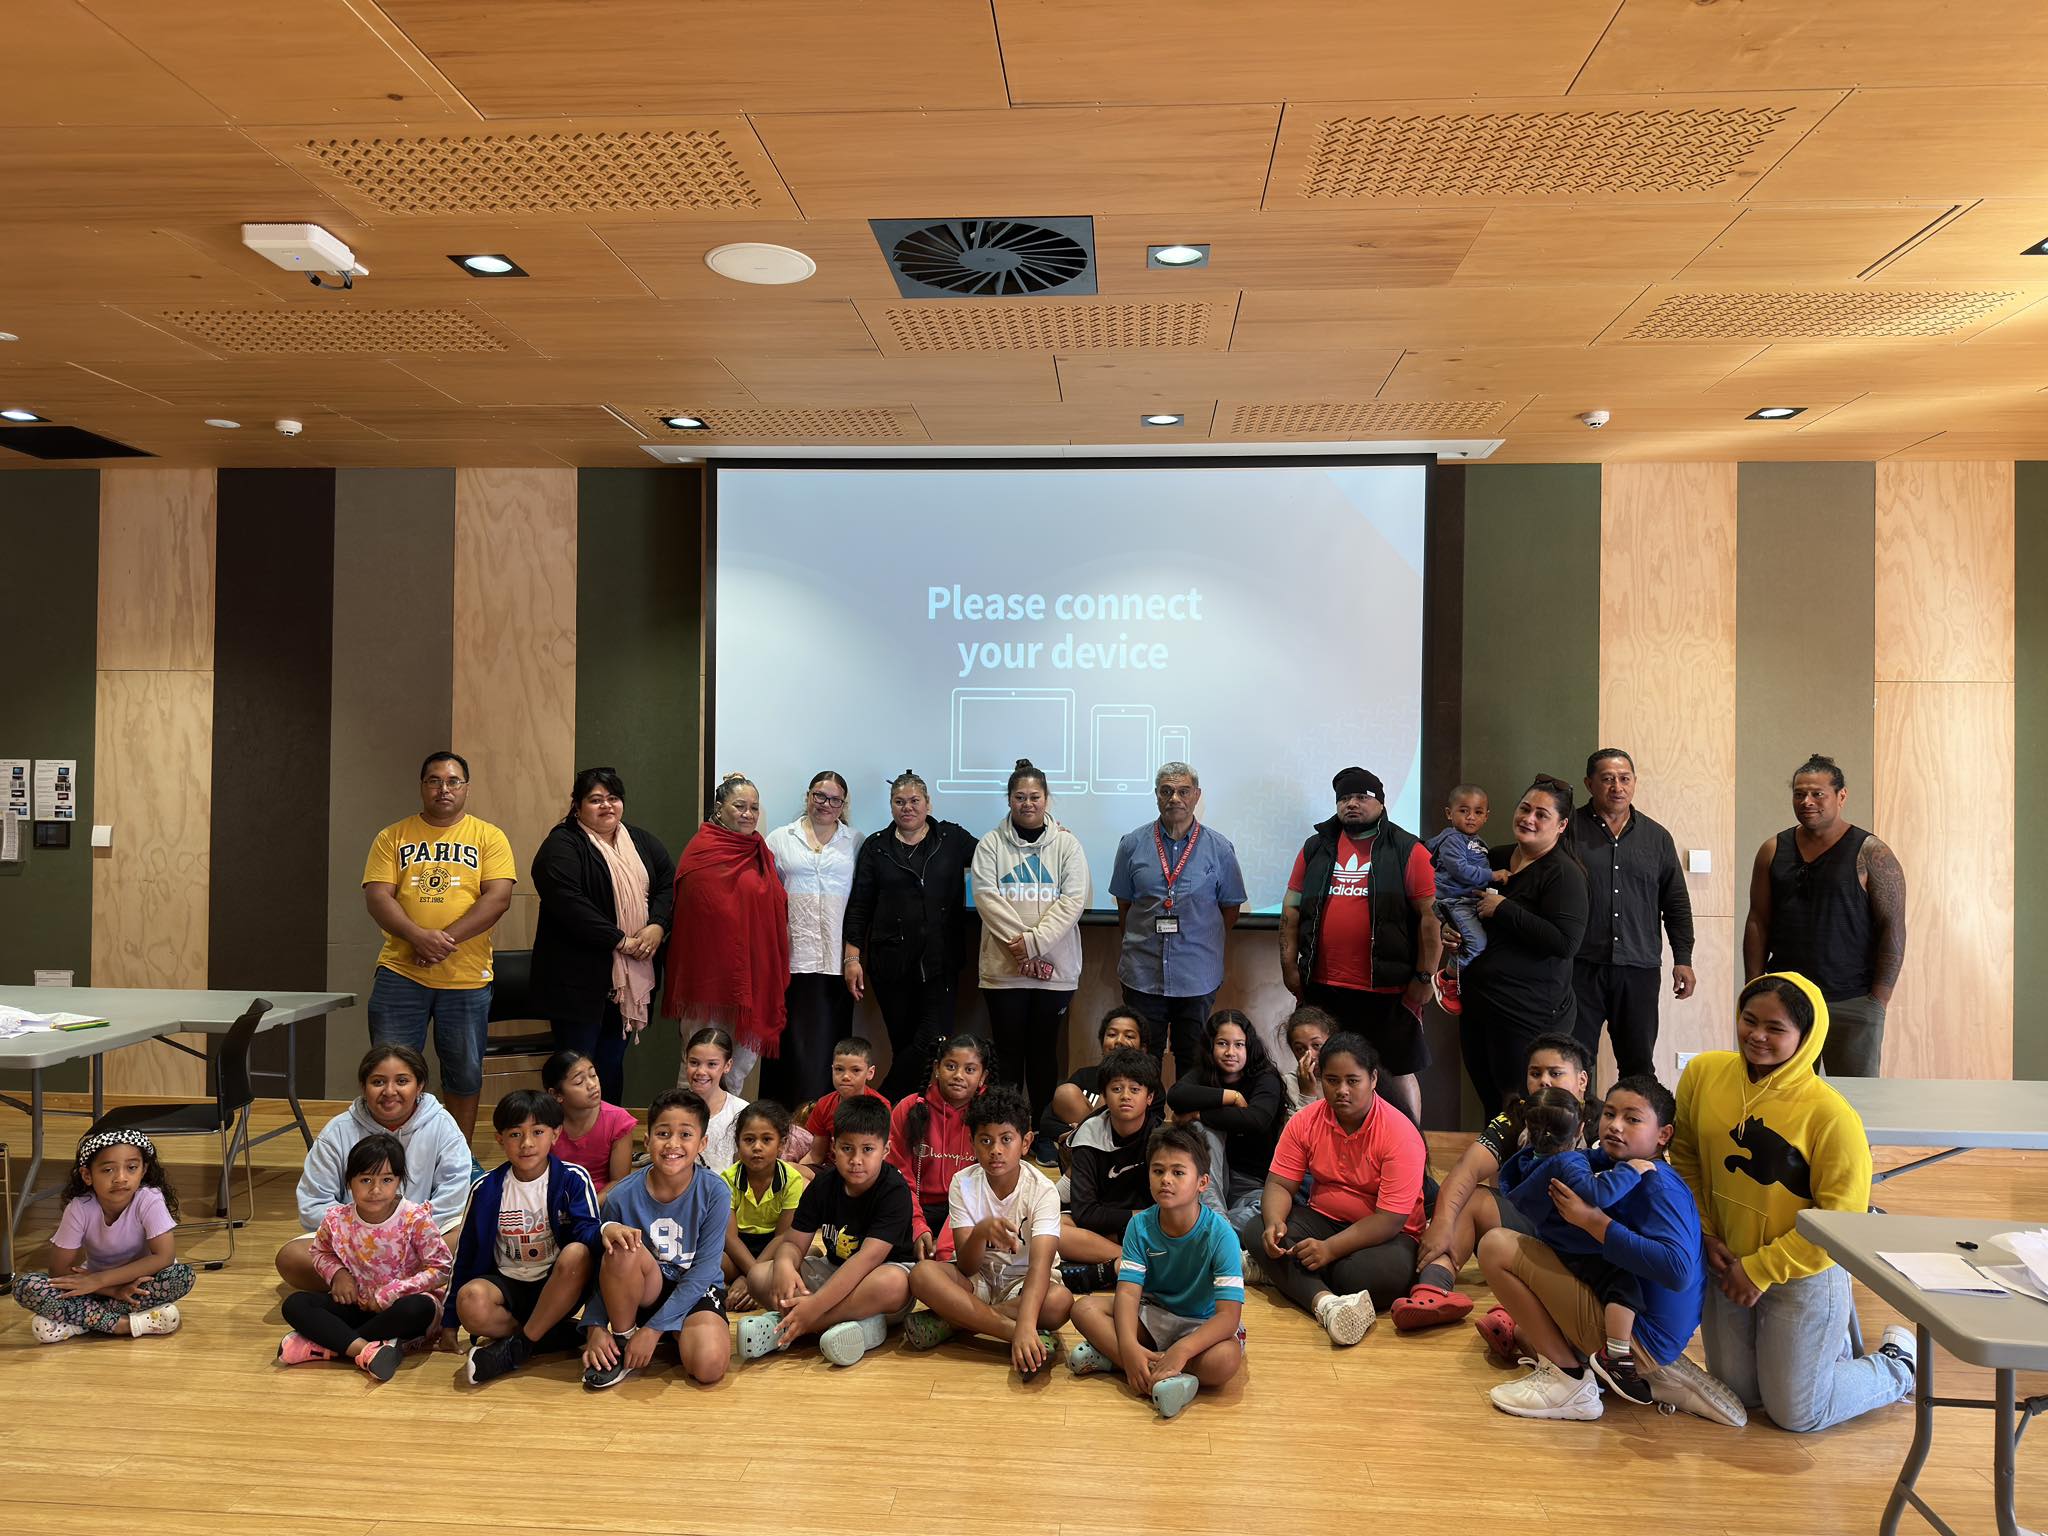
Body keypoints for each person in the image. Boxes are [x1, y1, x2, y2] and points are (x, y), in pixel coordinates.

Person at [1670, 973, 1914, 1431]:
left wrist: (1761, 1270)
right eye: (1749, 1020)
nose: (1757, 1036)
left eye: (1776, 1028)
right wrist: (1704, 1232)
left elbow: (1842, 1223)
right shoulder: (1703, 1074)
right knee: (1740, 1397)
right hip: (1725, 1261)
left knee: (1798, 1414)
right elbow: (1685, 1158)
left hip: (1802, 1271)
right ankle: (1826, 1354)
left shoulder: (1831, 1115)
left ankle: (1897, 1364)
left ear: (1806, 1036)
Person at [1481, 1077, 1744, 1426]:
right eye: (1609, 1114)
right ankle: (1641, 1374)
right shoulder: (1614, 1165)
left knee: (1496, 1246)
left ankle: (1571, 1384)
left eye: (1632, 1119)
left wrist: (1594, 1223)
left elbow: (1678, 1271)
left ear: (1663, 1135)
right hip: (1639, 1326)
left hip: (1641, 1338)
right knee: (1525, 1333)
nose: (1616, 1126)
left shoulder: (1656, 1183)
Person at [362, 750, 517, 1148]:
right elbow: (378, 897)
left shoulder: (489, 836)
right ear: (422, 787)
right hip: (401, 974)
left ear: (465, 788)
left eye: (452, 781)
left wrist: (440, 940)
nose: (443, 789)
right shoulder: (392, 836)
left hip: (466, 978)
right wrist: (417, 936)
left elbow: (498, 898)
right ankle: (392, 1154)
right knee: (391, 1071)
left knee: (463, 1074)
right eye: (434, 781)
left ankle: (457, 1155)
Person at [1392, 1031, 1591, 1332]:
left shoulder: (1601, 1120)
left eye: (1555, 1073)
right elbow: (1467, 1169)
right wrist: (1442, 1224)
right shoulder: (1515, 1116)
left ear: (1582, 1080)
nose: (1544, 1082)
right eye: (1535, 1073)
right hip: (1526, 1233)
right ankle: (1433, 1290)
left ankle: (1513, 1318)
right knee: (1470, 1198)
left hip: (1580, 1239)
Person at [1280, 766, 1440, 1123]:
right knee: (1326, 1067)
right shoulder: (1316, 847)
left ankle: (1410, 1144)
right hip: (1323, 985)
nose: (1351, 804)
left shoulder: (1407, 849)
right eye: (1344, 798)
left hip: (1388, 989)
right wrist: (1289, 967)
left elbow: (1431, 918)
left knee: (1396, 1069)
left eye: (1361, 797)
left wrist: (1425, 976)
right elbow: (1291, 910)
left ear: (1380, 802)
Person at [1249, 1032, 1426, 1344]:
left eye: (1352, 1081)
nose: (1342, 1090)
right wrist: (1275, 1222)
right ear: (1320, 1079)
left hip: (1389, 1237)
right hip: (1324, 1219)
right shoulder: (1305, 1121)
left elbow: (1389, 1220)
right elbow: (1279, 1183)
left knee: (1357, 1276)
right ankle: (1327, 1304)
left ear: (1373, 1079)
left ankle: (1283, 1274)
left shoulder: (1400, 1133)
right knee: (1256, 1230)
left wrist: (1329, 1250)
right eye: (1332, 1080)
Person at [1743, 755, 1907, 1077]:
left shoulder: (1872, 853)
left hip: (1853, 1000)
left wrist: (1878, 1000)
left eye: (1818, 794)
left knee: (1855, 1097)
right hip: (1785, 999)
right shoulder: (1772, 850)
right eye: (1799, 794)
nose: (1807, 802)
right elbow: (1757, 921)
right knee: (1779, 1093)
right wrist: (1755, 986)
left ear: (1841, 796)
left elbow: (1893, 928)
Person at [1067, 1124, 1245, 1420]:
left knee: (1225, 1360)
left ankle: (1121, 1362)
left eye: (1178, 1172)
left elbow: (1228, 1317)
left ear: (1202, 1182)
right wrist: (1128, 1345)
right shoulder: (1139, 1226)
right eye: (1158, 1171)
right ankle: (1156, 1373)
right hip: (1154, 1314)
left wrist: (1184, 1349)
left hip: (1200, 1325)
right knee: (1084, 1309)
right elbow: (1127, 1294)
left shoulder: (1221, 1234)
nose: (1166, 1180)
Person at [1493, 1086, 1653, 1404]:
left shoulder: (1528, 1163)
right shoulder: (1567, 1164)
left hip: (1559, 1248)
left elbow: (1583, 1159)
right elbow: (1598, 1193)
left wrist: (1603, 1156)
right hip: (1586, 1251)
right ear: (1581, 1129)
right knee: (1624, 1287)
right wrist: (1630, 1170)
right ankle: (1616, 1356)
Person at [530, 767, 675, 1107]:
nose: (607, 806)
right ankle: (572, 1134)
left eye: (613, 798)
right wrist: (620, 940)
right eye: (596, 800)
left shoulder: (640, 841)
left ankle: (609, 1133)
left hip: (627, 982)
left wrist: (657, 925)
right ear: (577, 806)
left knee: (610, 1066)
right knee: (576, 1070)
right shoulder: (562, 844)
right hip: (577, 983)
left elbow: (668, 885)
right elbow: (569, 903)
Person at [904, 1085, 1073, 1373]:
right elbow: (967, 1266)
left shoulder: (1042, 1190)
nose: (995, 1150)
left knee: (1060, 1301)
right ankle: (1012, 1332)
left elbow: (1040, 1267)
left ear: (1026, 1142)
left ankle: (954, 1323)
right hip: (978, 1280)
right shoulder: (963, 1183)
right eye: (985, 1140)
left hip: (1023, 1284)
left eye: (1006, 1139)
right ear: (972, 1143)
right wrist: (981, 1232)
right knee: (921, 1274)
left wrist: (1027, 1320)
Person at [741, 1094, 917, 1368]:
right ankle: (862, 1327)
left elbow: (866, 1260)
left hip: (876, 1278)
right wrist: (785, 1265)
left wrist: (814, 1307)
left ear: (886, 1150)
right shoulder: (823, 1185)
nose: (856, 1160)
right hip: (834, 1272)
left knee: (893, 1283)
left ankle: (793, 1325)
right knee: (759, 1276)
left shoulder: (894, 1190)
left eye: (867, 1149)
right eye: (847, 1149)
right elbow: (794, 1243)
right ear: (834, 1147)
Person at [1448, 776, 1590, 1116]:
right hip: (1480, 1005)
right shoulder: (1493, 858)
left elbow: (1565, 943)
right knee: (1491, 1105)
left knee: (1521, 1109)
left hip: (1528, 1013)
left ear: (1561, 825)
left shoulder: (1564, 873)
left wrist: (1505, 909)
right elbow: (1465, 907)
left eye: (1541, 814)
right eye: (1525, 809)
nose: (1529, 819)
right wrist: (1450, 931)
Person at [278, 1043, 472, 1291]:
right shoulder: (338, 1131)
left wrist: (405, 1232)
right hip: (353, 1244)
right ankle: (403, 1290)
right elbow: (313, 1203)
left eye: (402, 1081)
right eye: (378, 1082)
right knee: (292, 1257)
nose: (390, 1091)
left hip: (419, 1239)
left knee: (466, 1240)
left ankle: (369, 1292)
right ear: (363, 1086)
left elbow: (454, 1196)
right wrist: (364, 1233)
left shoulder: (443, 1125)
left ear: (419, 1086)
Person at [581, 1088, 733, 1390]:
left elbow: (705, 1271)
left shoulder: (715, 1191)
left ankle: (672, 1332)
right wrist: (595, 1325)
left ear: (702, 1143)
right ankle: (624, 1339)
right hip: (645, 1291)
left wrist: (654, 1330)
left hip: (696, 1290)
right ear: (648, 1139)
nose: (673, 1144)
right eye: (663, 1134)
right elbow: (602, 1266)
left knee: (709, 1366)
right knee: (622, 1248)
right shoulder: (621, 1195)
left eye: (685, 1135)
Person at [446, 1089, 601, 1385]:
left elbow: (590, 1235)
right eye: (515, 1134)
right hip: (508, 1286)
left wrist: (607, 1230)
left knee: (577, 1253)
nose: (527, 1143)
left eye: (537, 1132)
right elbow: (465, 1254)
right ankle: (546, 1335)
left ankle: (519, 1346)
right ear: (500, 1139)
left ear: (556, 1134)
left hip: (558, 1285)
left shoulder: (573, 1178)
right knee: (471, 1301)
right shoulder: (485, 1188)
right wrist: (450, 1320)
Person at [843, 770, 979, 1101]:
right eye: (899, 801)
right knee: (903, 1044)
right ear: (891, 806)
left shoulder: (951, 838)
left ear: (928, 804)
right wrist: (852, 957)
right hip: (891, 964)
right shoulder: (877, 847)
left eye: (914, 800)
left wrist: (1050, 834)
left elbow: (997, 856)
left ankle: (879, 1104)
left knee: (933, 1042)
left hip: (941, 961)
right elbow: (860, 905)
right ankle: (908, 1117)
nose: (907, 808)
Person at [972, 758, 1091, 1135]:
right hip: (1003, 972)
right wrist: (1022, 949)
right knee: (1007, 1056)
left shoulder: (1067, 844)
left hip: (1055, 973)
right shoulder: (990, 844)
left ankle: (1042, 1131)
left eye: (1035, 796)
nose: (1028, 803)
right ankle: (1008, 1133)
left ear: (1046, 799)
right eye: (1020, 796)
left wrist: (1034, 945)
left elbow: (1073, 900)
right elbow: (986, 897)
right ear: (1009, 799)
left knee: (1044, 1054)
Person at [276, 1132, 452, 1380]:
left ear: (399, 1181)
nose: (376, 1190)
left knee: (418, 1308)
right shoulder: (337, 1220)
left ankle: (329, 1345)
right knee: (296, 1304)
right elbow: (321, 1251)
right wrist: (338, 1274)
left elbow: (441, 1268)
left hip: (401, 1307)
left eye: (387, 1180)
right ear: (350, 1182)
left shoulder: (415, 1218)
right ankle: (367, 1350)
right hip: (359, 1304)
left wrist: (391, 1293)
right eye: (366, 1180)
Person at [1109, 761, 1247, 1075]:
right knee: (1142, 1062)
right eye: (1167, 791)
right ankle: (1150, 1111)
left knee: (1193, 1061)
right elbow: (1125, 905)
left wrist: (1201, 939)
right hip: (1142, 974)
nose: (1175, 798)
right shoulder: (1132, 844)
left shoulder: (1220, 849)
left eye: (1183, 791)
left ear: (1197, 795)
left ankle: (1186, 1112)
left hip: (1197, 976)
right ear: (1157, 795)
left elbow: (1230, 909)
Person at [1571, 749, 1696, 1080]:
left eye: (1624, 778)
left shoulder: (1657, 837)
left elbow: (1676, 903)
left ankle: (1634, 1117)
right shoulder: (1567, 830)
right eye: (1607, 779)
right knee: (1573, 1063)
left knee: (1638, 1065)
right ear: (1589, 783)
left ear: (1635, 782)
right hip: (1579, 967)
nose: (1617, 787)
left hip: (1638, 969)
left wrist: (1683, 959)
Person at [662, 771, 790, 1091]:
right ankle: (689, 1117)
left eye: (754, 807)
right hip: (710, 981)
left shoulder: (760, 851)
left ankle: (729, 1118)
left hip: (752, 976)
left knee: (738, 1065)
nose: (748, 814)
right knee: (701, 1059)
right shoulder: (703, 850)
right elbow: (697, 917)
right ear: (719, 808)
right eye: (739, 806)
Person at [13, 1129, 191, 1343]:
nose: (121, 1178)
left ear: (143, 1170)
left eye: (132, 1168)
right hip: (95, 1288)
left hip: (137, 1283)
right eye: (108, 1170)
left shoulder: (149, 1198)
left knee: (181, 1276)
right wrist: (111, 1290)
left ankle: (80, 1321)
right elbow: (58, 1271)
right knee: (27, 1286)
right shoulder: (79, 1208)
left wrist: (98, 1280)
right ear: (87, 1175)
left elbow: (164, 1257)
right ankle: (126, 1324)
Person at [764, 770, 860, 1103]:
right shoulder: (779, 839)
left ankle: (824, 1118)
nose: (826, 804)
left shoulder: (855, 841)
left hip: (837, 961)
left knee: (829, 1047)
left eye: (835, 799)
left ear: (843, 805)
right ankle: (787, 1118)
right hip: (792, 958)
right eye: (819, 795)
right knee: (793, 1046)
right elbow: (766, 896)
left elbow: (861, 901)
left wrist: (854, 955)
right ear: (808, 796)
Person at [1166, 1008, 1285, 1229]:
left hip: (1253, 1183)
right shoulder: (1204, 1074)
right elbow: (1175, 1095)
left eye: (1239, 1044)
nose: (1231, 1052)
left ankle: (1213, 1227)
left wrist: (1199, 1113)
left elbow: (1256, 1119)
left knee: (1265, 1215)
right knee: (1202, 1129)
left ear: (1249, 1047)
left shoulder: (1265, 1078)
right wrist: (1232, 1096)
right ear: (1211, 1046)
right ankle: (1216, 1222)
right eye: (1222, 1043)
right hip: (1213, 1179)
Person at [1060, 1047, 1166, 1286]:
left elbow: (1167, 1208)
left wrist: (1141, 1219)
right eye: (1117, 1089)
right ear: (1104, 1096)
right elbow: (1084, 1213)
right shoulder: (1089, 1134)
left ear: (1149, 1097)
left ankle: (1122, 1263)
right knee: (1054, 1230)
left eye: (1135, 1089)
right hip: (1100, 1228)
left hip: (1145, 1228)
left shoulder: (1161, 1139)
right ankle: (1135, 1262)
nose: (1125, 1096)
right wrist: (1134, 1216)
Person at [888, 1033, 989, 1261]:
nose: (959, 1075)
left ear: (983, 1077)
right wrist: (917, 1224)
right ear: (936, 1068)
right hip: (913, 1205)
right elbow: (898, 1176)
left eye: (970, 1070)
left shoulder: (990, 1115)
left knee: (952, 1254)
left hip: (969, 1209)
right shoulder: (909, 1108)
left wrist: (947, 1239)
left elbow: (992, 1183)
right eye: (950, 1066)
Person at [1424, 783, 1502, 1014]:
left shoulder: (1478, 843)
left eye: (1478, 812)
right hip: (1455, 904)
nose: (1470, 817)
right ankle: (1447, 979)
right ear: (1449, 813)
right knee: (1477, 943)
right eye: (1463, 810)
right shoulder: (1452, 840)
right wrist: (1492, 875)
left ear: (1486, 816)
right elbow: (1460, 870)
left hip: (1470, 902)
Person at [721, 1100, 806, 1311]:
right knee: (713, 1259)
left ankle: (746, 1285)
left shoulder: (792, 1180)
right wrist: (753, 1275)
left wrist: (749, 1278)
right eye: (749, 1139)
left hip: (772, 1249)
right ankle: (748, 1285)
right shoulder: (727, 1180)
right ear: (738, 1142)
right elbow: (730, 1238)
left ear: (782, 1144)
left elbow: (782, 1236)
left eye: (766, 1139)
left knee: (808, 1254)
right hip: (736, 1250)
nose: (757, 1147)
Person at [1042, 1006, 1147, 1160]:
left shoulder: (1148, 1083)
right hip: (1082, 1155)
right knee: (1066, 1093)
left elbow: (1152, 1128)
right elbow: (1047, 1122)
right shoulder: (1084, 1076)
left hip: (1127, 1154)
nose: (1119, 1041)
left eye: (1129, 1036)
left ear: (1143, 1048)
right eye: (1112, 1034)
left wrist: (1081, 1132)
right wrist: (1078, 1133)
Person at [544, 1048, 637, 1194]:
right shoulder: (545, 1123)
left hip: (603, 1200)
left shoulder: (618, 1120)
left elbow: (619, 1183)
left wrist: (588, 1205)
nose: (592, 1085)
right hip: (556, 1198)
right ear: (556, 1094)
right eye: (579, 1082)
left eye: (593, 1075)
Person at [797, 1036, 891, 1176]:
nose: (846, 1076)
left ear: (870, 1073)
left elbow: (880, 1157)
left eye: (855, 1070)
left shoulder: (881, 1106)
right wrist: (794, 1174)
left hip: (864, 1171)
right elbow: (816, 1155)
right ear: (832, 1069)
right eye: (839, 1069)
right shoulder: (824, 1104)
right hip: (830, 1171)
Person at [681, 1026, 747, 1172]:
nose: (701, 1071)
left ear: (727, 1065)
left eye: (711, 1064)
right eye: (694, 1062)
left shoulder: (741, 1111)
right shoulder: (673, 1107)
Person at [1282, 1005, 1333, 1114]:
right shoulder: (1287, 1084)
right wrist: (1306, 1095)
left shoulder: (1346, 1077)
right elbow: (1295, 1125)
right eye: (1300, 1049)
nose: (1311, 1055)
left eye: (1317, 1045)